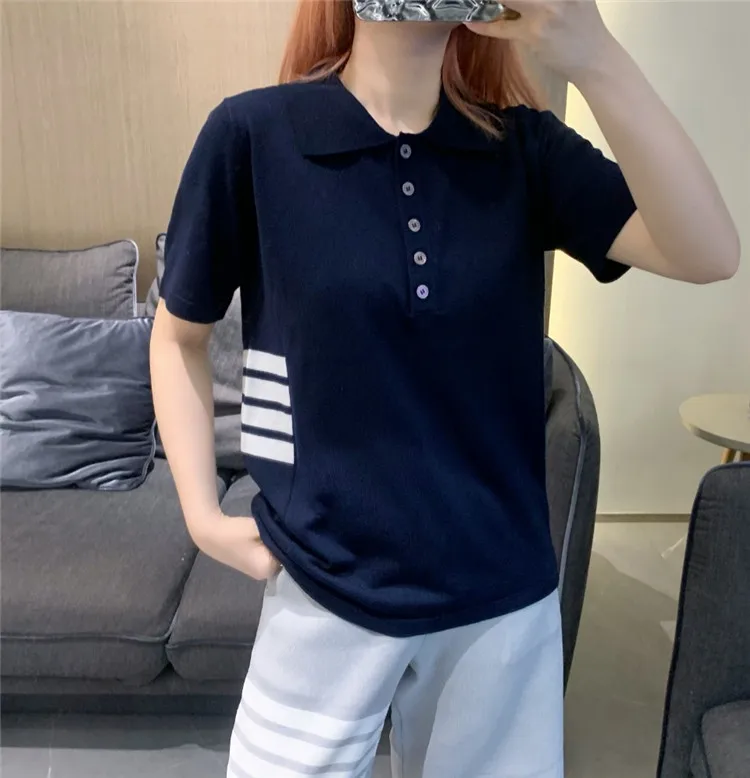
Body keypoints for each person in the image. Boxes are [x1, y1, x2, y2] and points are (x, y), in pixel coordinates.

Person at [150, 1, 740, 776]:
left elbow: (708, 252)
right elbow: (178, 334)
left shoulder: (521, 148)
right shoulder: (255, 136)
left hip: (500, 599)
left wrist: (594, 55)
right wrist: (201, 515)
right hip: (325, 583)